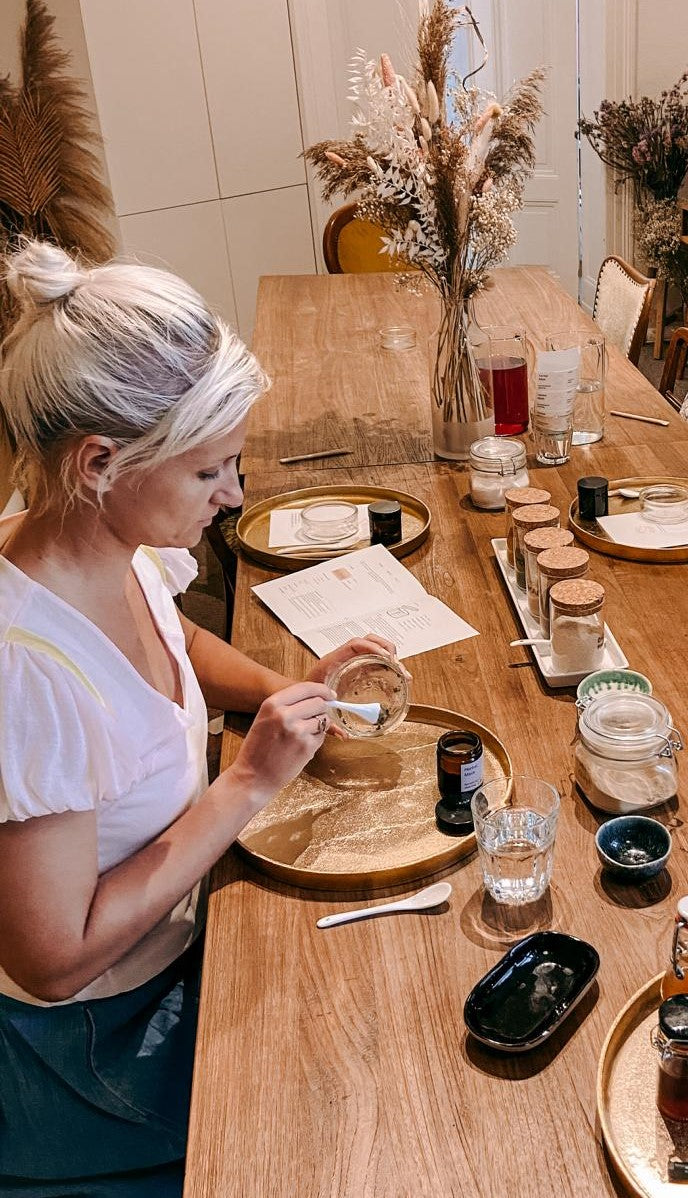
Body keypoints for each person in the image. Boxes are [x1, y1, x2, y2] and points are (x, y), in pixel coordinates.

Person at [0, 240, 397, 1195]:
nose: (233, 497)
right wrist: (250, 781)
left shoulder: (95, 537)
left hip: (171, 954)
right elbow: (51, 962)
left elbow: (169, 641)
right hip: (90, 1049)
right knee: (350, 1122)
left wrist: (280, 688)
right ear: (100, 462)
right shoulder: (26, 673)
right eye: (210, 473)